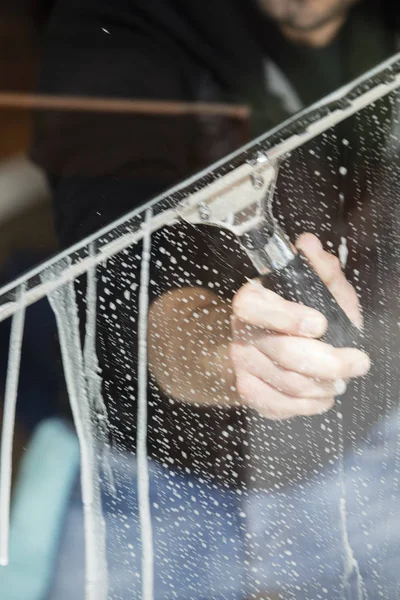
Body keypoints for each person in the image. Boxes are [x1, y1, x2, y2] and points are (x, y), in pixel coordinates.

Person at [31, 0, 400, 598]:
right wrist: (230, 350)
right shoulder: (118, 24)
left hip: (375, 446)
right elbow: (119, 274)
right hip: (166, 484)